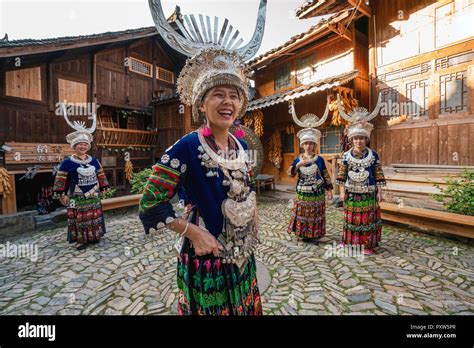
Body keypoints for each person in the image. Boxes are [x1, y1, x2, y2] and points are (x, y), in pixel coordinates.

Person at [138, 48, 262, 315]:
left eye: (233, 96)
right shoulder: (186, 147)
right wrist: (193, 233)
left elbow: (248, 188)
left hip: (242, 250)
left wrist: (254, 218)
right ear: (201, 104)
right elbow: (150, 204)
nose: (227, 102)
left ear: (240, 105)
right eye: (218, 94)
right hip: (206, 255)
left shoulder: (240, 145)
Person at [53, 120, 109, 250]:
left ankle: (95, 236)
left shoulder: (94, 161)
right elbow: (60, 179)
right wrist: (62, 195)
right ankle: (80, 240)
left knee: (94, 215)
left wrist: (103, 188)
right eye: (80, 144)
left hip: (93, 195)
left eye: (85, 144)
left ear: (88, 146)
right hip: (74, 197)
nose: (83, 147)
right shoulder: (67, 163)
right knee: (77, 217)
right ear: (74, 146)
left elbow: (101, 174)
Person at [336, 122, 386, 255]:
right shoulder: (346, 155)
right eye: (356, 138)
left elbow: (378, 175)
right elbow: (342, 174)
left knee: (367, 219)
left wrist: (379, 192)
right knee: (350, 218)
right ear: (351, 140)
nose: (359, 141)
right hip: (351, 192)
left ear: (366, 139)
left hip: (368, 192)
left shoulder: (373, 155)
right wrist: (341, 192)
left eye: (362, 138)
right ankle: (348, 241)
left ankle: (366, 245)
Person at [287, 128, 333, 243]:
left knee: (316, 213)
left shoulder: (319, 160)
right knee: (303, 212)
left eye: (311, 144)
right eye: (306, 143)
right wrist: (298, 165)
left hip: (317, 192)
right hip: (303, 192)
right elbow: (291, 174)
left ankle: (315, 234)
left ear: (314, 145)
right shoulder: (297, 159)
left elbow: (325, 174)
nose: (308, 146)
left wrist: (329, 190)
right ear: (302, 145)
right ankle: (303, 233)